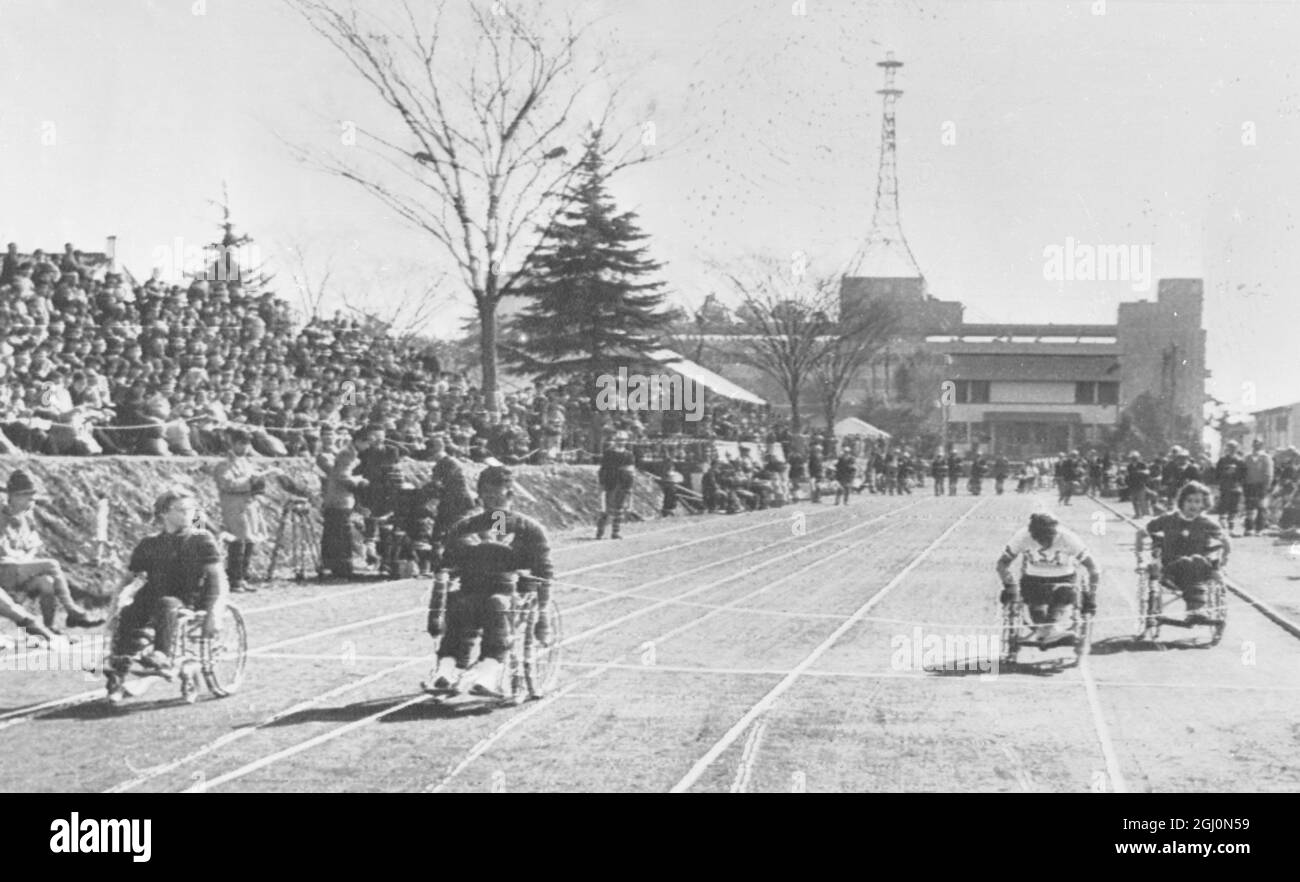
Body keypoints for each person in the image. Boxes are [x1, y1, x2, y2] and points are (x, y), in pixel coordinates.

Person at [423, 466, 554, 696]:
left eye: (498, 495)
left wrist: (542, 618)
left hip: (511, 595)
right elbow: (446, 565)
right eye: (487, 495)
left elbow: (543, 573)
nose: (492, 501)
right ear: (479, 495)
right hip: (471, 590)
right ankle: (447, 667)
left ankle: (489, 670)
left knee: (496, 605)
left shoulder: (529, 529)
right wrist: (437, 603)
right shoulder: (465, 527)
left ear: (510, 495)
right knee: (461, 605)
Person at [105, 488, 229, 703]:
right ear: (164, 513)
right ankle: (119, 669)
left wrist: (215, 613)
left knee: (166, 603)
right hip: (153, 594)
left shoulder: (201, 539)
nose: (189, 513)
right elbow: (127, 580)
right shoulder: (149, 543)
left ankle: (162, 656)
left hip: (188, 596)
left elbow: (219, 580)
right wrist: (113, 608)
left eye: (191, 509)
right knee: (128, 613)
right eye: (182, 510)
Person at [0, 469, 104, 636]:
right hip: (4, 570)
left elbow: (33, 546)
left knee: (47, 582)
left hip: (19, 570)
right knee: (51, 564)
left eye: (32, 497)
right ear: (13, 496)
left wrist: (26, 559)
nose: (31, 501)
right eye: (26, 496)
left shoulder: (27, 518)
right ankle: (72, 611)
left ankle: (49, 627)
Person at [996, 512, 1100, 645]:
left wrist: (1091, 596)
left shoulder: (1068, 538)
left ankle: (1047, 631)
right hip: (1034, 578)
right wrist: (1009, 585)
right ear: (1033, 536)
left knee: (1064, 593)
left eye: (1048, 540)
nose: (1044, 545)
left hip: (1064, 578)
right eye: (1040, 540)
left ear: (1055, 533)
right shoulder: (1022, 537)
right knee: (1032, 597)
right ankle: (1049, 631)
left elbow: (1094, 568)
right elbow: (1002, 564)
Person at [1136, 481, 1230, 625]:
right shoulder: (1168, 519)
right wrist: (1140, 559)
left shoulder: (1207, 523)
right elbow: (1141, 533)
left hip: (1200, 569)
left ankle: (1195, 611)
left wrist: (1224, 561)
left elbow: (1226, 542)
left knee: (1197, 561)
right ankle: (1195, 611)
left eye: (1198, 501)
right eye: (1189, 501)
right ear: (1182, 502)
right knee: (1190, 561)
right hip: (1172, 570)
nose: (1193, 505)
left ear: (1204, 503)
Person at [213, 428, 276, 593]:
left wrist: (259, 479)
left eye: (247, 444)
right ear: (232, 443)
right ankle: (234, 579)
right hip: (234, 506)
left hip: (249, 505)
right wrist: (250, 481)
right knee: (237, 542)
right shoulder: (224, 465)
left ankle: (242, 576)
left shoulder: (247, 463)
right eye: (241, 443)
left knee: (250, 541)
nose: (245, 447)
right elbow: (227, 484)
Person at [421, 436, 476, 564]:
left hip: (457, 502)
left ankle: (454, 560)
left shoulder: (448, 463)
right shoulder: (445, 463)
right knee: (441, 530)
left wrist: (428, 495)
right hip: (451, 501)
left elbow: (438, 484)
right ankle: (442, 561)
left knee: (452, 531)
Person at [596, 431, 636, 538]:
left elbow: (631, 471)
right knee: (606, 508)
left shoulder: (629, 455)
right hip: (610, 481)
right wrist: (602, 482)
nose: (621, 442)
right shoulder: (609, 453)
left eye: (623, 440)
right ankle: (600, 531)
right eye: (619, 440)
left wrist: (630, 485)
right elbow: (603, 468)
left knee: (619, 508)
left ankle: (616, 531)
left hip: (623, 482)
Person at [1213, 440, 1247, 536]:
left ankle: (1231, 529)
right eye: (1230, 448)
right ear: (1227, 449)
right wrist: (1226, 472)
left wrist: (1236, 474)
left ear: (1237, 449)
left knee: (1234, 508)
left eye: (1234, 448)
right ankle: (1221, 529)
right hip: (1225, 486)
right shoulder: (1222, 460)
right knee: (1223, 506)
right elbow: (1217, 474)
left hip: (1236, 487)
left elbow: (1244, 475)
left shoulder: (1240, 461)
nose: (1232, 450)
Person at [1242, 438, 1274, 536]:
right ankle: (1249, 528)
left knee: (1261, 507)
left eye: (1258, 444)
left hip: (1261, 485)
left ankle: (1259, 529)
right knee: (1249, 507)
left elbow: (1269, 473)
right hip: (1249, 485)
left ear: (1261, 446)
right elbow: (1243, 472)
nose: (1256, 446)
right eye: (1255, 444)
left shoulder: (1265, 458)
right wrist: (1244, 483)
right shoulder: (1247, 457)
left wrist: (1266, 485)